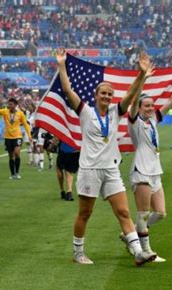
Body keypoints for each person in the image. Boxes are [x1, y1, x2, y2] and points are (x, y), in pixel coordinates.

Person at [56, 48, 156, 265]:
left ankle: (139, 252)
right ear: (96, 95)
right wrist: (62, 65)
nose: (107, 96)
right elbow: (67, 88)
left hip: (110, 169)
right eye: (104, 93)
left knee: (123, 211)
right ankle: (78, 253)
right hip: (90, 169)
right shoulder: (85, 111)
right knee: (85, 213)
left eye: (110, 94)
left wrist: (141, 75)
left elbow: (130, 94)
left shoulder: (115, 112)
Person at [123, 64, 172, 262]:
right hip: (141, 169)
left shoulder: (153, 120)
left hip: (155, 170)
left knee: (160, 213)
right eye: (147, 106)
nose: (151, 108)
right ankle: (145, 251)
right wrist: (143, 77)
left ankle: (132, 235)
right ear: (140, 108)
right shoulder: (134, 121)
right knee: (143, 213)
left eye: (152, 106)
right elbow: (134, 100)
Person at [0, 98, 31, 179]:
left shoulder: (20, 114)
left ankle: (17, 172)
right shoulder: (5, 112)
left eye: (11, 104)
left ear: (15, 105)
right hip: (8, 137)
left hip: (17, 136)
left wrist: (29, 135)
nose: (9, 106)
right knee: (11, 156)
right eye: (9, 104)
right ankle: (12, 174)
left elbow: (25, 125)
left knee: (17, 153)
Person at [50, 136, 80, 201]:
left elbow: (57, 137)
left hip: (64, 150)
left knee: (59, 169)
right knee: (69, 171)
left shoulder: (65, 126)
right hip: (75, 151)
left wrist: (51, 146)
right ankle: (69, 191)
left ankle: (62, 190)